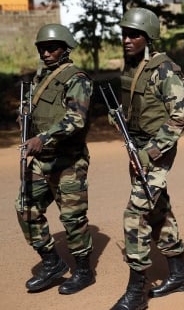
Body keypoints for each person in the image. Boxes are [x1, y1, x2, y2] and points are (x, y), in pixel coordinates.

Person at [110, 7, 184, 310]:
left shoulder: (165, 70)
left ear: (149, 37)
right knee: (158, 211)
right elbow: (134, 109)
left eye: (134, 35)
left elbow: (179, 119)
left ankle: (136, 291)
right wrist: (118, 118)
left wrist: (150, 153)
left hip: (157, 150)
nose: (127, 39)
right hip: (138, 147)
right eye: (125, 34)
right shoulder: (132, 68)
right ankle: (180, 273)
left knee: (135, 213)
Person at [16, 24, 95, 294]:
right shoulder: (39, 78)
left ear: (65, 48)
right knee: (25, 207)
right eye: (42, 49)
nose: (47, 53)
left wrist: (43, 138)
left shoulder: (77, 79)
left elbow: (76, 118)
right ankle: (52, 263)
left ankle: (84, 271)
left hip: (68, 161)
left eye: (52, 48)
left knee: (72, 219)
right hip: (41, 160)